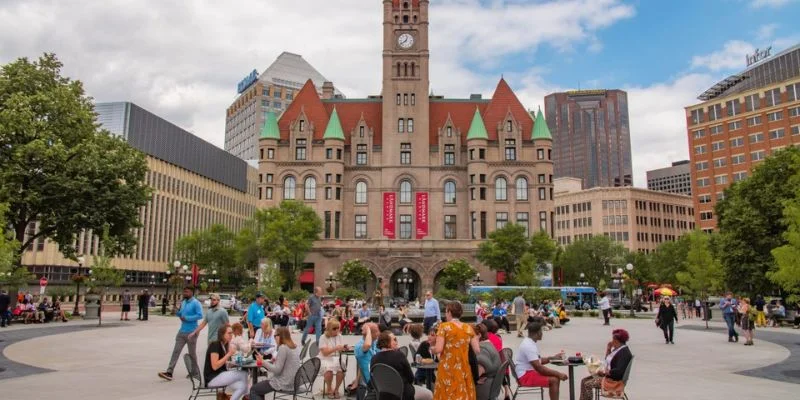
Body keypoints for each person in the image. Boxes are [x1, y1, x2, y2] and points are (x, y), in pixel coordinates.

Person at [431, 301, 480, 400]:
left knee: (447, 393)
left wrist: (432, 349)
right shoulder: (468, 328)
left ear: (449, 312)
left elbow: (439, 349)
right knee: (462, 393)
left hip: (448, 367)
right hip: (463, 367)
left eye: (446, 311)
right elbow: (477, 350)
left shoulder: (444, 327)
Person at [372, 330, 434, 400]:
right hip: (403, 393)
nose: (396, 342)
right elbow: (411, 378)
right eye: (394, 340)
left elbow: (373, 379)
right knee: (429, 394)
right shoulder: (399, 355)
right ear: (387, 342)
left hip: (383, 395)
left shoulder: (374, 358)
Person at [158, 287, 204, 381]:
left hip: (192, 332)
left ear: (192, 292)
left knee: (192, 354)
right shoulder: (183, 302)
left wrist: (187, 318)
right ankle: (169, 372)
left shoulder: (196, 303)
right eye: (184, 291)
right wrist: (177, 312)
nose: (185, 293)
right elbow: (181, 314)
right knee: (176, 351)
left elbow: (200, 315)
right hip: (182, 331)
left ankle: (195, 372)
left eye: (186, 292)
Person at [513, 321, 567, 400]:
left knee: (555, 377)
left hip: (527, 372)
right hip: (525, 376)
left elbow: (538, 361)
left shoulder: (529, 342)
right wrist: (559, 374)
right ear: (538, 333)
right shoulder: (529, 346)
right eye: (541, 331)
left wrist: (552, 358)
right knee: (554, 380)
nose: (542, 333)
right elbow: (539, 368)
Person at [249, 326, 302, 400]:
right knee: (260, 389)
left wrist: (263, 362)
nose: (274, 338)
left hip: (283, 383)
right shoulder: (294, 347)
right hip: (294, 383)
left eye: (275, 336)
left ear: (280, 336)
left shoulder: (283, 347)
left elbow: (277, 370)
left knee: (254, 390)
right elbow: (288, 364)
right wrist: (276, 360)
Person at [579, 329, 633, 400]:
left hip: (613, 380)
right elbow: (607, 361)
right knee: (584, 381)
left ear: (616, 340)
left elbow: (619, 371)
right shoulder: (618, 349)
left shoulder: (624, 353)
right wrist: (608, 349)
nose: (611, 341)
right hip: (608, 376)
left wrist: (605, 372)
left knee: (587, 384)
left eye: (613, 339)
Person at [204, 324, 249, 400]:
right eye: (229, 333)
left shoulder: (224, 345)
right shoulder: (215, 345)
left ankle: (246, 395)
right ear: (222, 334)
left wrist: (229, 363)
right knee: (244, 373)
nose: (231, 335)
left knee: (242, 386)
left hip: (220, 375)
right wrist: (228, 354)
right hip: (212, 378)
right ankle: (247, 396)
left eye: (232, 333)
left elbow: (222, 362)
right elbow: (215, 366)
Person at [320, 319, 346, 398]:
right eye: (334, 328)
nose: (337, 330)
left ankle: (336, 389)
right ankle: (329, 389)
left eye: (338, 328)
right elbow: (324, 353)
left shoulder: (340, 336)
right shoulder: (323, 337)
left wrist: (344, 348)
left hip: (337, 357)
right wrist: (335, 348)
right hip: (325, 358)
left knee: (342, 369)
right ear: (329, 329)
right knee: (328, 371)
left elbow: (340, 349)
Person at [474, 323, 502, 400]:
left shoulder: (482, 349)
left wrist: (473, 379)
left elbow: (479, 372)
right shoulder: (489, 345)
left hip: (483, 388)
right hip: (490, 386)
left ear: (478, 335)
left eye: (471, 336)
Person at [352, 322, 379, 396]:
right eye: (377, 331)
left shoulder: (375, 343)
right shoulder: (359, 345)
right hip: (371, 380)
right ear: (370, 334)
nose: (379, 333)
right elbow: (367, 345)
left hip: (379, 375)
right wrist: (368, 331)